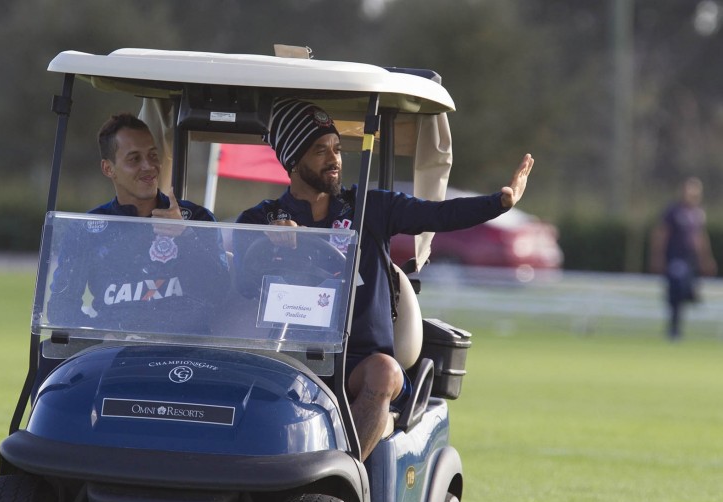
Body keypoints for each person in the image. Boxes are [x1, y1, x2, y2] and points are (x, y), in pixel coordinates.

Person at [234, 98, 534, 461]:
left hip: (359, 364)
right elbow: (242, 283)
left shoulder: (369, 208)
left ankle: (340, 474)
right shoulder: (261, 219)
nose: (334, 159)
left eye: (337, 148)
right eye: (319, 151)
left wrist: (497, 204)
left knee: (384, 372)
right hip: (289, 362)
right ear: (293, 160)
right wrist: (267, 244)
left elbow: (438, 214)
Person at [47, 113, 228, 332]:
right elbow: (61, 307)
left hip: (185, 353)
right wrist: (101, 336)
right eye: (134, 159)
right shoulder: (86, 229)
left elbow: (219, 295)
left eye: (153, 156)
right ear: (108, 168)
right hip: (116, 355)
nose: (148, 166)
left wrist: (185, 236)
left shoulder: (197, 218)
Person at [649, 177, 718, 340]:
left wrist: (706, 259)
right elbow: (661, 234)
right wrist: (657, 257)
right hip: (675, 257)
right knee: (677, 288)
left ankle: (689, 297)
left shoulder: (698, 214)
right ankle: (674, 329)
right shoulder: (673, 211)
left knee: (684, 290)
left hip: (690, 259)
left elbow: (700, 238)